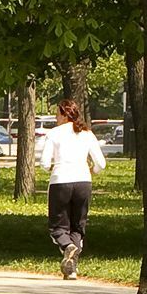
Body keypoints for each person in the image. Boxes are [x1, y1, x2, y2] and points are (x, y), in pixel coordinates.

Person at [38, 97, 107, 279]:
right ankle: (72, 269)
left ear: (63, 113)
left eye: (56, 112)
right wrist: (92, 170)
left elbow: (44, 163)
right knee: (78, 226)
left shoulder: (54, 134)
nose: (55, 116)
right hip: (84, 181)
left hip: (61, 181)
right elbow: (101, 163)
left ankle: (67, 246)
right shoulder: (87, 134)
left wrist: (53, 168)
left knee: (58, 226)